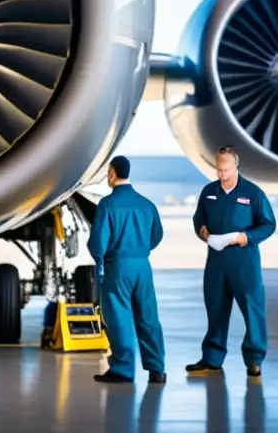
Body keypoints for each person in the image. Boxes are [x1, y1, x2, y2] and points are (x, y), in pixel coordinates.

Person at [186, 146, 277, 378]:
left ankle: (254, 359)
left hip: (244, 261)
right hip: (216, 261)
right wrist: (203, 232)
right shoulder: (208, 192)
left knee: (252, 310)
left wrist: (248, 237)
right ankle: (212, 358)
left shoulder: (253, 193)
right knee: (215, 309)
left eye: (225, 169)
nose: (221, 174)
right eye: (218, 169)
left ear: (236, 166)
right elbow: (199, 219)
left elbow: (268, 224)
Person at [87, 155, 167, 385]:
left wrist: (100, 258)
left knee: (119, 316)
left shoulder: (108, 204)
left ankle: (123, 370)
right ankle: (157, 369)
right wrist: (141, 249)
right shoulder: (146, 204)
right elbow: (158, 234)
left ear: (112, 173)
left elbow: (98, 243)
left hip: (118, 266)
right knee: (148, 317)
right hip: (143, 266)